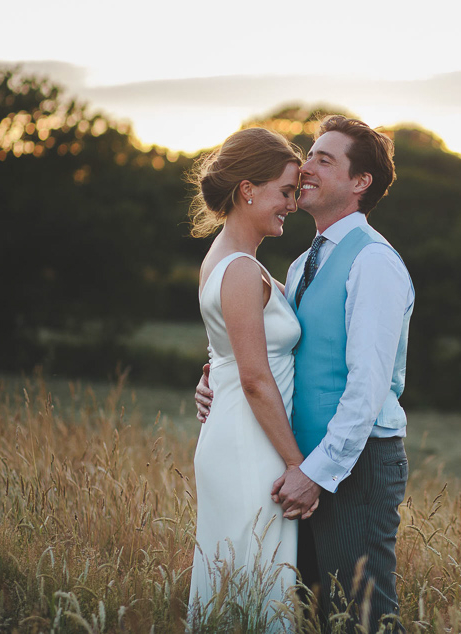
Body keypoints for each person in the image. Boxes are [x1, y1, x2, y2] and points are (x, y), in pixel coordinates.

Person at [197, 115, 413, 631]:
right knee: (315, 612)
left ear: (359, 183)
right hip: (299, 467)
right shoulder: (298, 266)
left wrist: (313, 473)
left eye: (324, 158)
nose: (307, 167)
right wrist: (217, 378)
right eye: (310, 154)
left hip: (352, 465)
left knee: (362, 613)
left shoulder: (375, 262)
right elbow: (270, 355)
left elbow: (367, 386)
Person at [187, 127, 315, 631]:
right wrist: (297, 465)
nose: (293, 203)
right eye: (285, 191)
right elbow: (256, 378)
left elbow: (227, 353)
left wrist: (209, 377)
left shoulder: (233, 262)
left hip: (240, 431)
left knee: (247, 579)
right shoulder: (240, 269)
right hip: (250, 444)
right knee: (254, 579)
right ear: (247, 190)